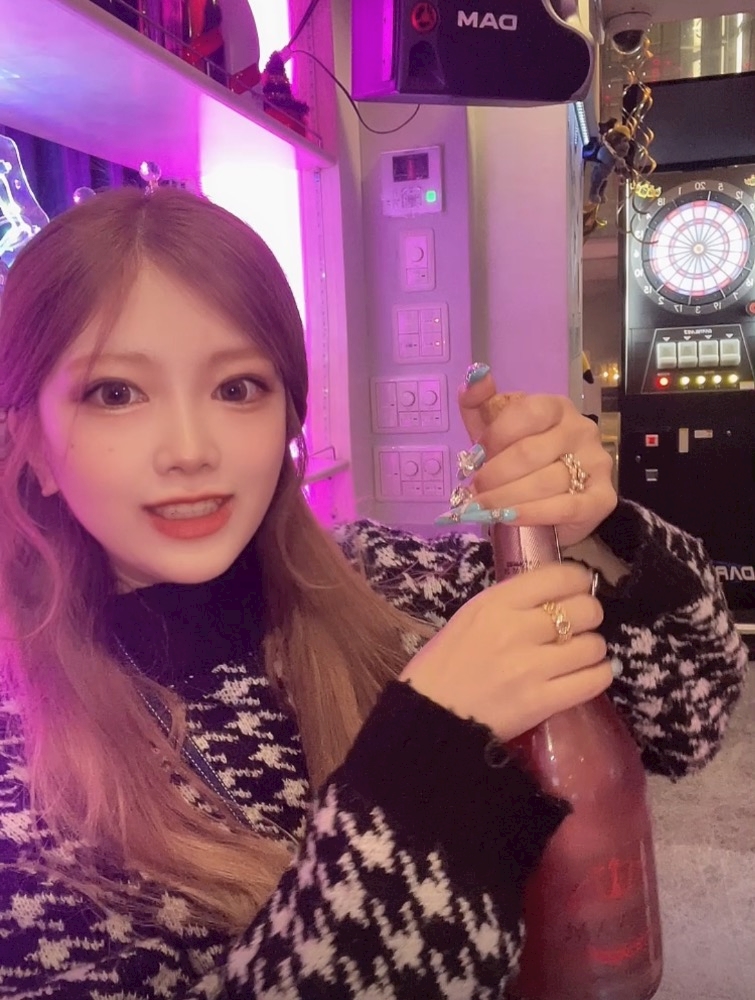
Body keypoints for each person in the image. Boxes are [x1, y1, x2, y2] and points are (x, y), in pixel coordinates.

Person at [0, 187, 747, 1000]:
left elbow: (688, 718)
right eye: (115, 393)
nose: (189, 449)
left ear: (288, 417)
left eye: (237, 387)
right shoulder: (21, 777)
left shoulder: (392, 583)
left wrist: (591, 527)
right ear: (30, 441)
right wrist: (424, 761)